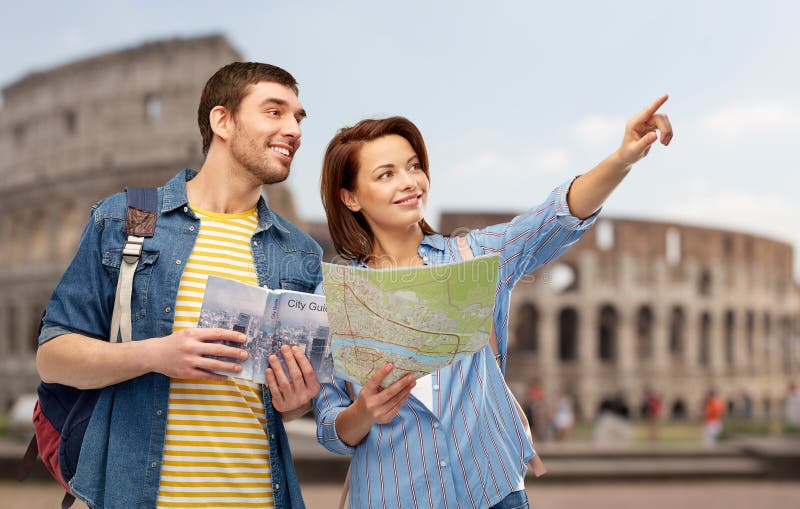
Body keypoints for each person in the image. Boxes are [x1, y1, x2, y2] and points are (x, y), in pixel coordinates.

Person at [314, 96, 672, 508]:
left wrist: (623, 158)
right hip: (394, 495)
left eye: (414, 166)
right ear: (351, 198)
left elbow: (556, 215)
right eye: (386, 174)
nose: (410, 181)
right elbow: (329, 424)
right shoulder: (333, 297)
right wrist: (364, 411)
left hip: (492, 490)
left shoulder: (477, 257)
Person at [35, 62, 323, 509]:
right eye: (275, 112)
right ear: (221, 121)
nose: (294, 129)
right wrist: (157, 354)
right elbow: (52, 357)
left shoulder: (300, 252)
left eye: (298, 118)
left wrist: (298, 399)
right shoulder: (127, 218)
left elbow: (282, 408)